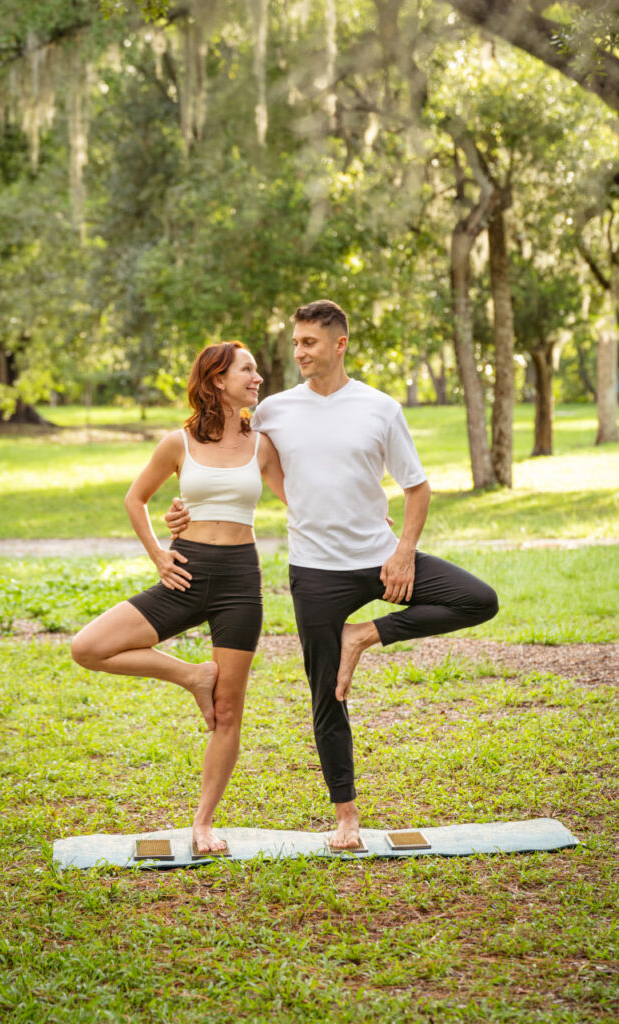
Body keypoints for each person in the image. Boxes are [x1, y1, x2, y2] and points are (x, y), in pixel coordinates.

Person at [167, 300, 498, 850]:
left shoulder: (380, 408)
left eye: (309, 343)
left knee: (477, 599)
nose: (298, 352)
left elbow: (417, 489)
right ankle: (346, 819)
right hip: (315, 572)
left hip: (380, 559)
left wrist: (404, 553)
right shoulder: (272, 411)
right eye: (295, 342)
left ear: (339, 344)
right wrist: (185, 513)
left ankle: (362, 635)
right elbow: (234, 467)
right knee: (329, 694)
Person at [71, 341, 285, 854]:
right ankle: (192, 675)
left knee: (228, 712)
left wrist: (365, 517)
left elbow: (301, 501)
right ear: (217, 380)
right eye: (247, 370)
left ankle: (203, 823)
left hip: (239, 581)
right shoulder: (178, 442)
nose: (257, 378)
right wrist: (158, 555)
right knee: (88, 647)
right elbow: (135, 498)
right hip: (184, 574)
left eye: (256, 370)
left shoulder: (263, 444)